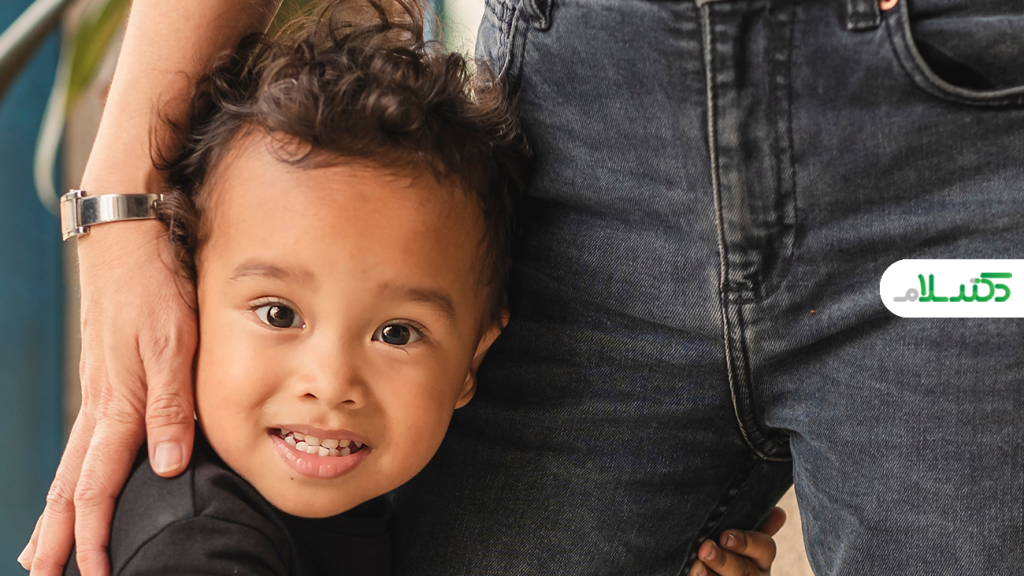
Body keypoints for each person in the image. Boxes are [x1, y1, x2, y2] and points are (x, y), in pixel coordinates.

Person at [22, 0, 1024, 575]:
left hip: (957, 152)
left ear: (477, 354)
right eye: (278, 312)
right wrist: (118, 199)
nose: (330, 379)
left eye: (396, 332)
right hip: (584, 115)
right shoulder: (198, 544)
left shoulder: (365, 490)